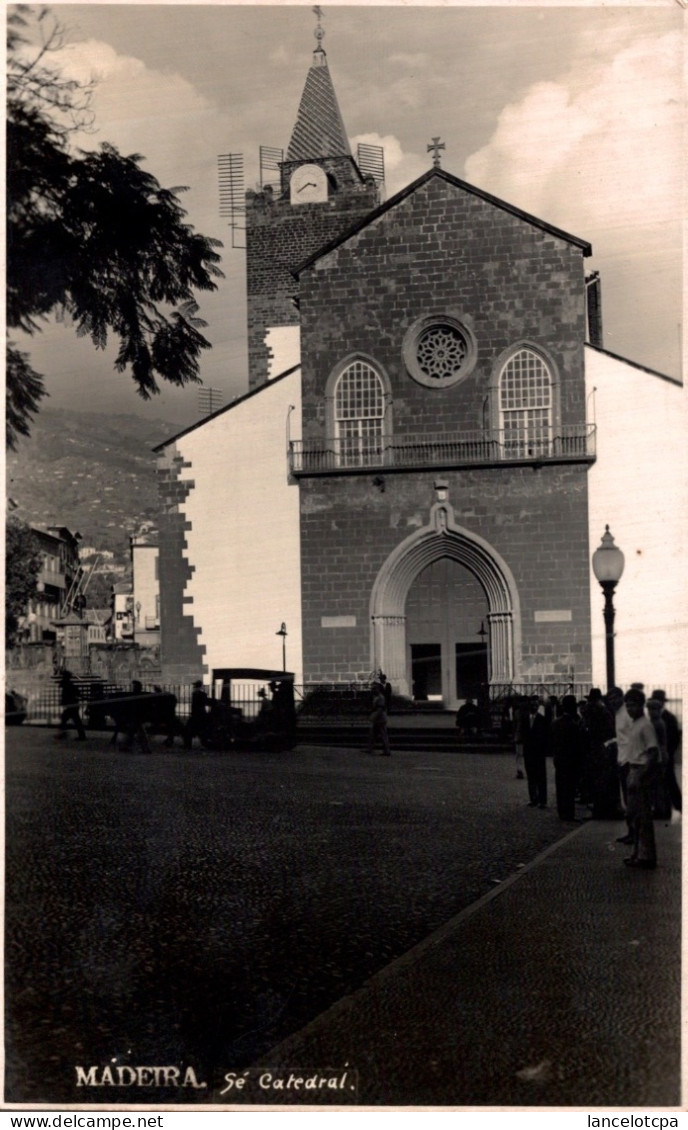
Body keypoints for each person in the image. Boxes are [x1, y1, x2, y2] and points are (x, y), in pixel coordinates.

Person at [623, 688, 660, 869]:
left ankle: (646, 856)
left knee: (642, 816)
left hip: (640, 771)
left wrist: (641, 775)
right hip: (632, 769)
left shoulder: (645, 725)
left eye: (633, 705)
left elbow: (653, 752)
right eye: (628, 705)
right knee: (634, 816)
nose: (630, 709)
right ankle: (637, 853)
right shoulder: (635, 724)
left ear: (641, 705)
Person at [582, 688, 619, 819]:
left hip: (599, 749)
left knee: (599, 781)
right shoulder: (602, 711)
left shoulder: (598, 712)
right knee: (599, 781)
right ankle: (602, 809)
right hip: (600, 748)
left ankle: (601, 810)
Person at [549, 694, 585, 821]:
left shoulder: (555, 723)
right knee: (569, 787)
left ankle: (562, 812)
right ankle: (569, 813)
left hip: (559, 759)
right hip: (571, 760)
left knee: (561, 786)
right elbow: (578, 744)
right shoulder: (573, 725)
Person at [607, 686, 634, 846]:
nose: (611, 702)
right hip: (622, 760)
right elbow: (622, 738)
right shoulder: (617, 714)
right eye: (609, 700)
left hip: (629, 761)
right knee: (626, 799)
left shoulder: (626, 714)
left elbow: (632, 738)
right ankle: (630, 831)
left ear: (620, 697)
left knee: (631, 800)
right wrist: (612, 742)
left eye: (613, 699)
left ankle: (633, 832)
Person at [651, 690, 682, 813]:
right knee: (667, 781)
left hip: (665, 754)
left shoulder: (666, 718)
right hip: (663, 754)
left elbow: (673, 738)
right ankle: (672, 805)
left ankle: (676, 805)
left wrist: (668, 752)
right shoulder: (666, 717)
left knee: (668, 780)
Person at [647, 696, 671, 820]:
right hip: (661, 754)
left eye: (652, 709)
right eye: (649, 709)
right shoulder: (658, 722)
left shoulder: (656, 723)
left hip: (658, 755)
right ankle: (661, 808)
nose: (650, 712)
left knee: (657, 784)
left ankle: (660, 809)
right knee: (658, 784)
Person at [523, 694, 549, 808]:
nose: (533, 706)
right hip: (528, 751)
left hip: (539, 752)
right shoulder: (525, 719)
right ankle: (533, 798)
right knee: (531, 776)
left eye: (535, 704)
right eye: (532, 704)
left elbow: (546, 735)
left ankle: (542, 800)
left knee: (541, 776)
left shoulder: (542, 719)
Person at [55, 669, 86, 740]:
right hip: (73, 705)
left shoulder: (67, 684)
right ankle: (81, 735)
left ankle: (64, 734)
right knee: (71, 719)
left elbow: (61, 686)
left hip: (72, 705)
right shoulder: (69, 684)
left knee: (69, 719)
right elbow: (77, 693)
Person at [185, 680, 210, 752]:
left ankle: (188, 745)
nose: (194, 687)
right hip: (200, 715)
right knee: (200, 731)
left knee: (189, 730)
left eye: (195, 686)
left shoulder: (196, 694)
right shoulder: (202, 694)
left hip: (197, 715)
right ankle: (202, 744)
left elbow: (197, 706)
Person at [368, 682, 391, 757]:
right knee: (373, 734)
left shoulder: (381, 697)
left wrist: (373, 717)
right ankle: (370, 748)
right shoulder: (376, 697)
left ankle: (386, 750)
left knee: (383, 735)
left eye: (375, 689)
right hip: (378, 719)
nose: (373, 690)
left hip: (380, 719)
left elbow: (380, 709)